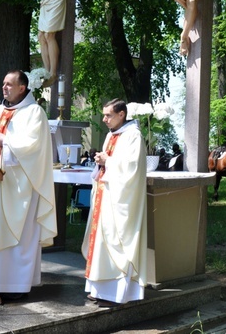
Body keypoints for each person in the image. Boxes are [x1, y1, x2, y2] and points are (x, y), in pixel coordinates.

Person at [0, 70, 57, 300]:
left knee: (15, 234)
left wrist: (4, 141)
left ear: (22, 88)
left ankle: (14, 286)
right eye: (3, 84)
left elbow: (34, 147)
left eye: (9, 85)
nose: (5, 88)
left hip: (19, 186)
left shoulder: (34, 113)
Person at [81, 99, 147, 307]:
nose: (104, 119)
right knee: (101, 243)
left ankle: (118, 293)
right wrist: (101, 162)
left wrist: (106, 161)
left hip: (120, 200)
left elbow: (132, 168)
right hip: (105, 196)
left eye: (108, 115)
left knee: (117, 241)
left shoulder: (133, 136)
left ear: (122, 114)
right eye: (104, 115)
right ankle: (98, 288)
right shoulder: (111, 135)